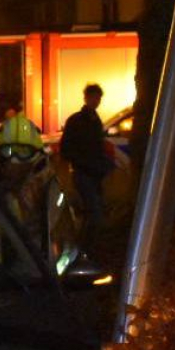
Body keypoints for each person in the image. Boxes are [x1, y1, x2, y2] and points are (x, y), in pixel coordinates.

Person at [0, 113, 65, 267]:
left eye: (23, 151)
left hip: (33, 267)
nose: (15, 159)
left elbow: (54, 230)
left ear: (36, 154)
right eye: (8, 151)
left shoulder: (47, 184)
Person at [59, 83, 113, 252]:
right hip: (84, 174)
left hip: (94, 174)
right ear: (87, 98)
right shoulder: (78, 121)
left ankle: (85, 249)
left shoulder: (94, 121)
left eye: (98, 98)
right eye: (94, 98)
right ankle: (84, 249)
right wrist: (85, 163)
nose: (96, 101)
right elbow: (66, 149)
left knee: (93, 214)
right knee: (94, 213)